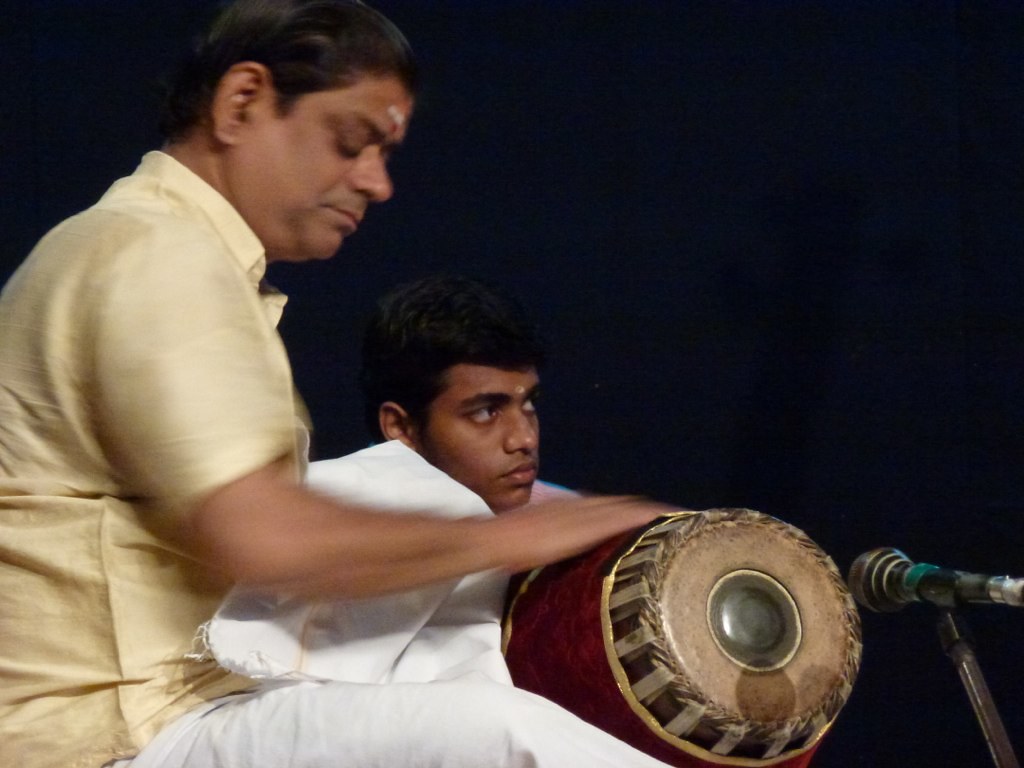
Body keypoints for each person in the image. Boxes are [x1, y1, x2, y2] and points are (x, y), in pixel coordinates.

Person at [0, 2, 671, 767]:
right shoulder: (156, 256)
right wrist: (516, 534)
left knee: (454, 641)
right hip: (109, 743)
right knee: (493, 732)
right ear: (241, 102)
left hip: (191, 704)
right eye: (351, 142)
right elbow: (265, 537)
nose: (377, 183)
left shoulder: (154, 250)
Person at [358, 273, 574, 513]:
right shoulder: (331, 536)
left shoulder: (576, 525)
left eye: (529, 403)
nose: (526, 440)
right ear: (400, 428)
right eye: (486, 412)